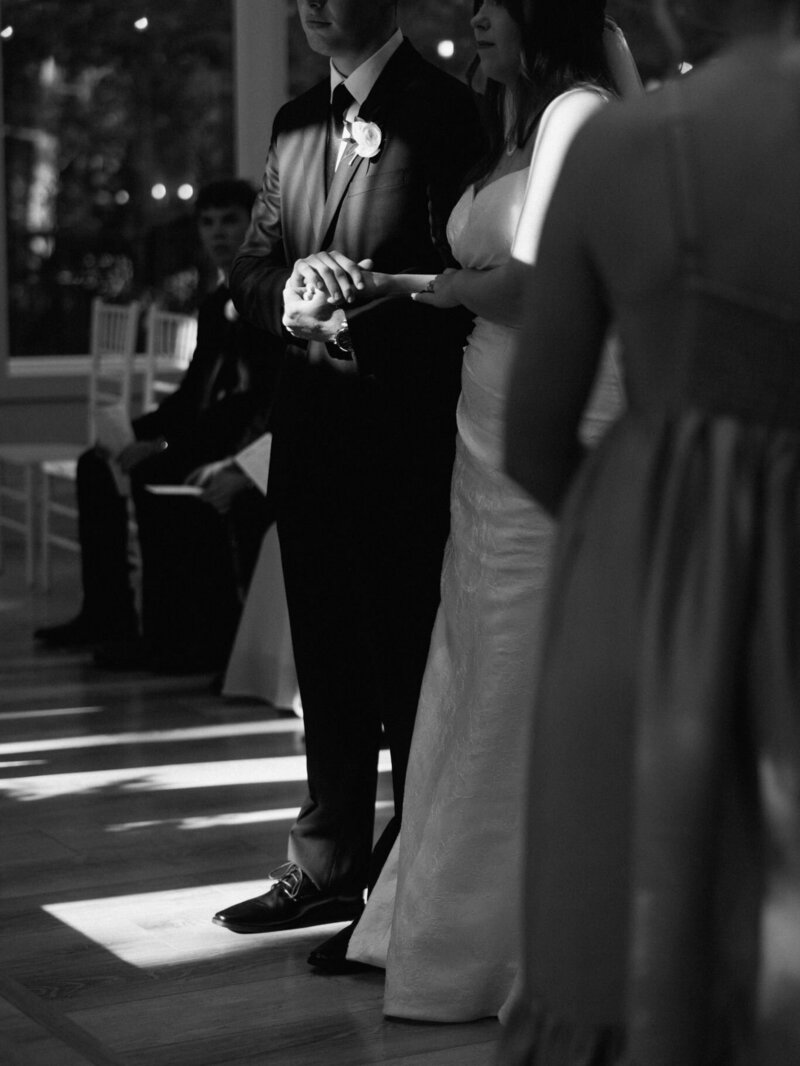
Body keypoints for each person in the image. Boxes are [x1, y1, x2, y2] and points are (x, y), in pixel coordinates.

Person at [312, 0, 635, 1020]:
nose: (476, 20)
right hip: (484, 421)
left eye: (494, 6)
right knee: (472, 660)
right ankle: (430, 919)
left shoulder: (577, 114)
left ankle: (506, 943)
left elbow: (541, 284)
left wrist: (443, 292)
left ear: (544, 17)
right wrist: (407, 283)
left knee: (515, 660)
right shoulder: (521, 124)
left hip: (547, 409)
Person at [501, 0, 800, 1060]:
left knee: (643, 942)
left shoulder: (621, 147)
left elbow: (533, 438)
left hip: (649, 590)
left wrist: (661, 543)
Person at [211, 0, 481, 951]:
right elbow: (248, 266)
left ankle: (406, 889)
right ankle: (326, 865)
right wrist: (288, 293)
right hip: (311, 438)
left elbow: (470, 275)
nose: (313, 5)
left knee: (406, 665)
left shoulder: (451, 111)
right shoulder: (292, 123)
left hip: (404, 438)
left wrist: (365, 293)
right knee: (323, 659)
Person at [35, 179, 282, 672]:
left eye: (230, 220)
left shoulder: (265, 297)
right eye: (207, 223)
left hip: (245, 441)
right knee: (95, 464)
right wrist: (135, 430)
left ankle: (176, 635)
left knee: (155, 472)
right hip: (209, 430)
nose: (217, 233)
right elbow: (195, 393)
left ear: (256, 222)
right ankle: (108, 612)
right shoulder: (215, 306)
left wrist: (162, 443)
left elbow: (248, 402)